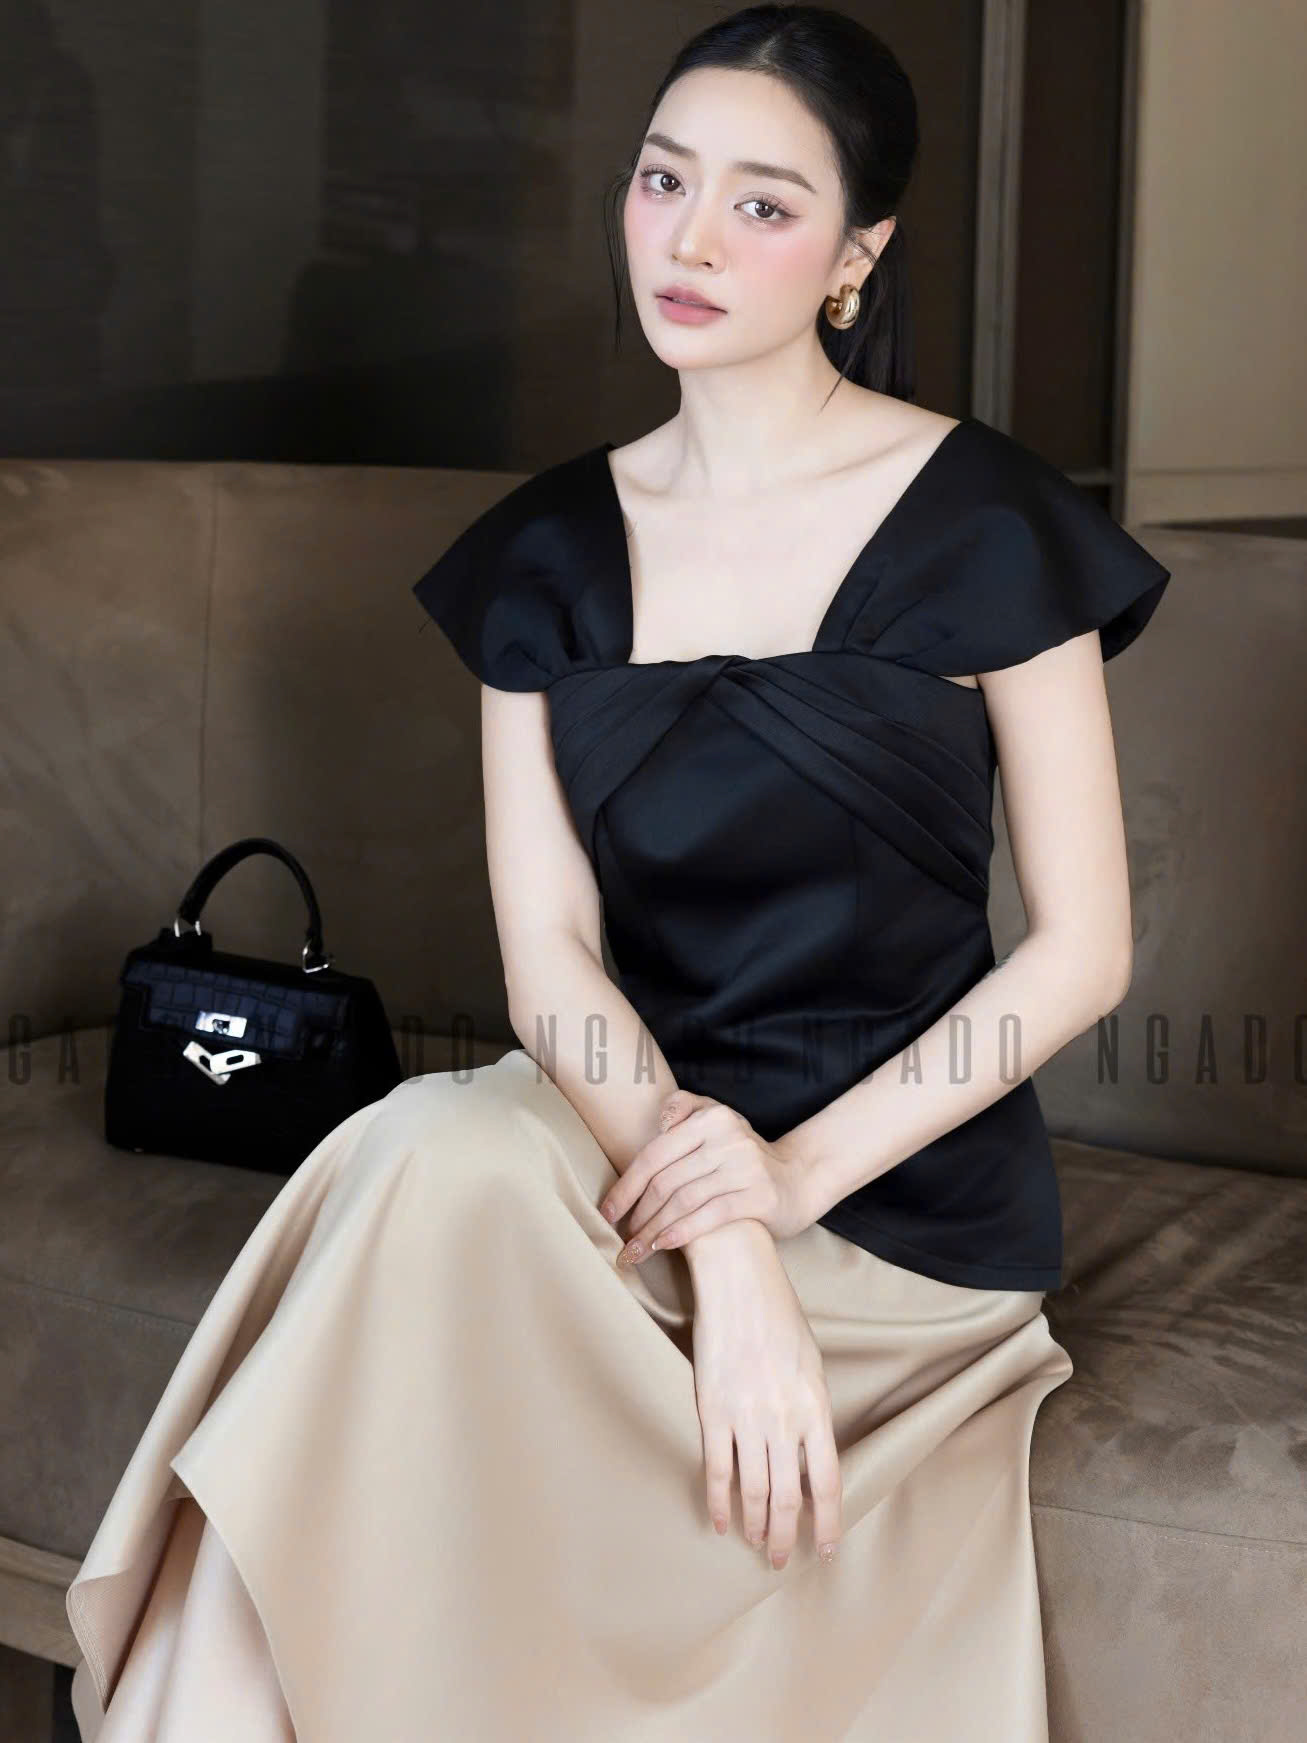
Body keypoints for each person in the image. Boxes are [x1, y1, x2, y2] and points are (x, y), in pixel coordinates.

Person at [65, 6, 1171, 1739]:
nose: (691, 238)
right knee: (425, 1150)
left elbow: (1083, 952)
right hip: (609, 1147)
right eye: (665, 181)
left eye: (762, 203)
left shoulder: (991, 523)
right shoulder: (544, 553)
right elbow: (553, 964)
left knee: (419, 1194)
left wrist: (782, 1192)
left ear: (857, 255)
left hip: (894, 1205)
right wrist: (720, 1241)